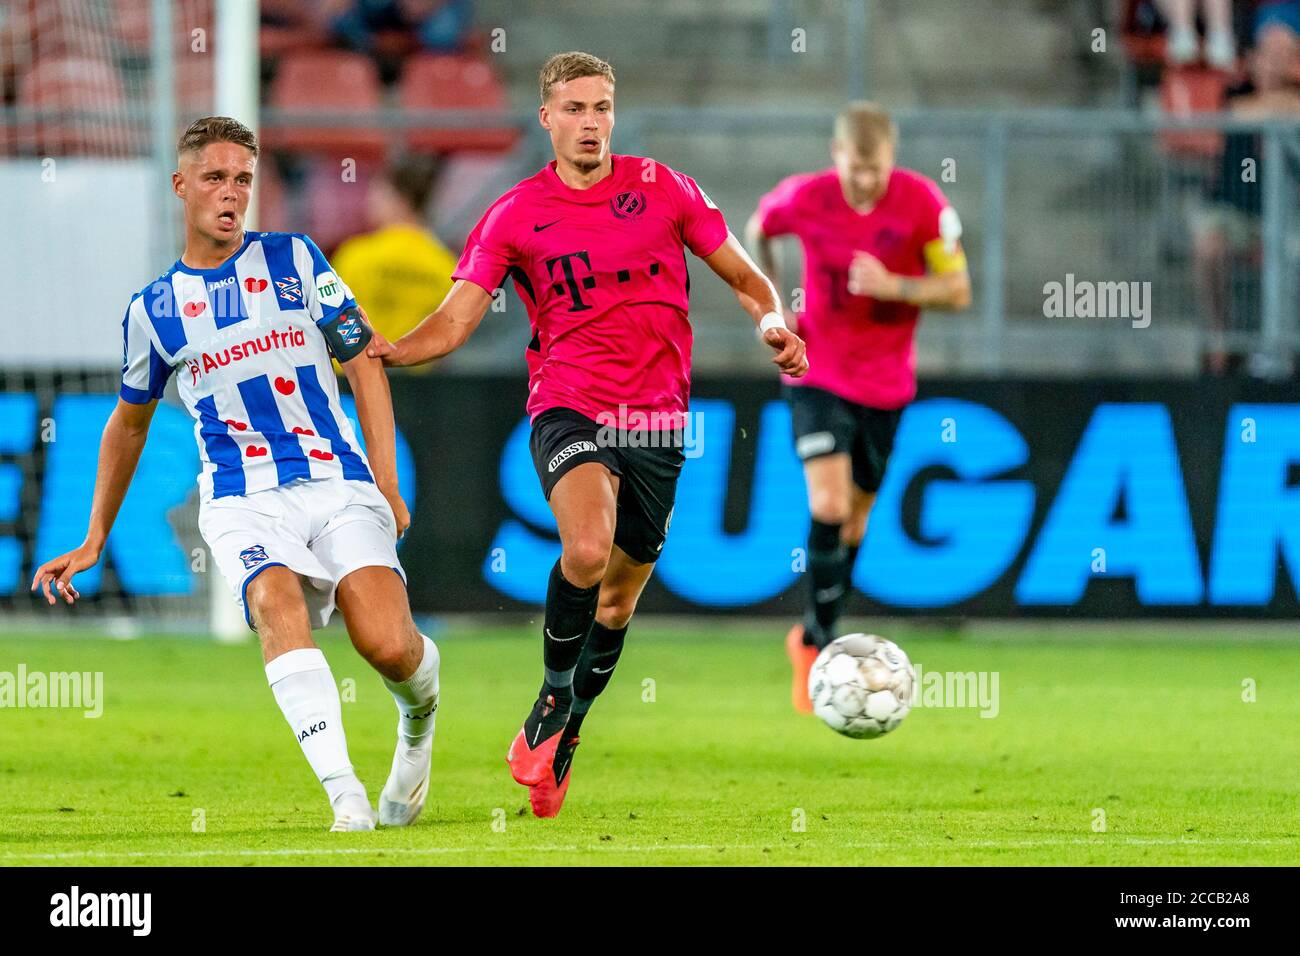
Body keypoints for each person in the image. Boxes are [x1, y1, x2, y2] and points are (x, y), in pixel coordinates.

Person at [366, 51, 807, 817]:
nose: (591, 122)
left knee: (616, 603)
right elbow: (460, 314)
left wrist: (773, 319)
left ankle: (567, 732)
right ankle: (550, 701)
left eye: (601, 107)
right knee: (587, 549)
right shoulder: (514, 214)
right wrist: (396, 350)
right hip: (568, 405)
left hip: (658, 418)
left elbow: (743, 275)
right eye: (574, 108)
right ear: (547, 119)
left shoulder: (663, 188)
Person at [30, 116, 439, 833]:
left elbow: (363, 360)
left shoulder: (297, 259)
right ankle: (345, 797)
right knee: (275, 604)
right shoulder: (154, 311)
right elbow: (128, 423)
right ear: (182, 185)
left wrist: (386, 477)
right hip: (241, 499)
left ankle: (417, 720)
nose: (230, 193)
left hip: (337, 482)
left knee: (387, 645)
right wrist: (94, 537)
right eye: (215, 178)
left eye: (243, 179)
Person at [746, 102, 971, 714]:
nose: (865, 181)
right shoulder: (808, 197)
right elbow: (758, 228)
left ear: (890, 160)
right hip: (815, 369)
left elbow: (958, 289)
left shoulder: (924, 205)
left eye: (875, 170)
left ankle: (814, 631)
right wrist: (774, 305)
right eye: (855, 169)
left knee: (856, 521)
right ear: (836, 154)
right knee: (829, 502)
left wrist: (895, 286)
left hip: (886, 384)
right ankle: (818, 648)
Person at [331, 156, 457, 368]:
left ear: (396, 197)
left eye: (378, 192)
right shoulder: (446, 265)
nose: (370, 200)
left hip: (354, 382)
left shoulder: (355, 255)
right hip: (418, 386)